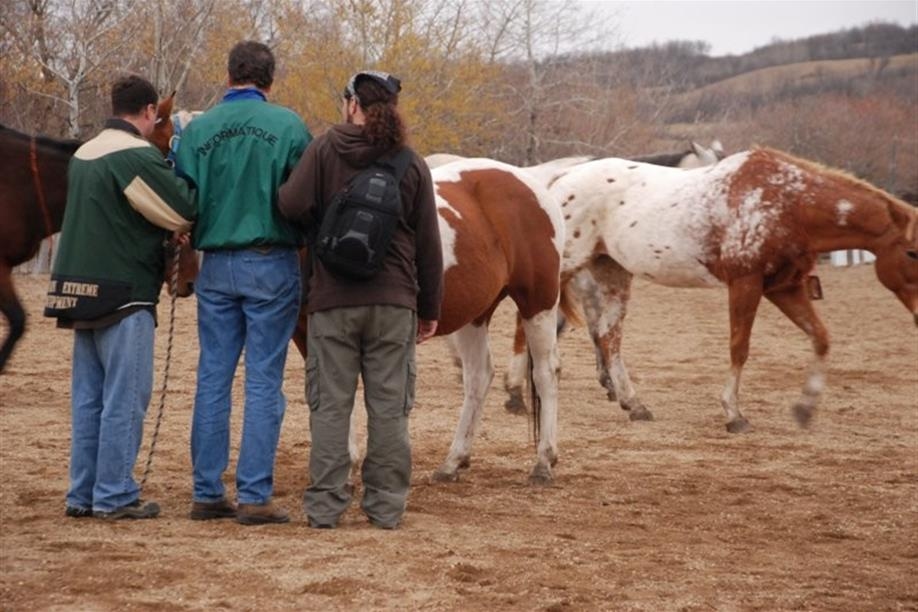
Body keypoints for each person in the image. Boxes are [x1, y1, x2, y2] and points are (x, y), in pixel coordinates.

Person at [278, 70, 443, 529]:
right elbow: (429, 245)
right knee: (390, 409)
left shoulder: (324, 149)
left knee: (331, 407)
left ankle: (325, 507)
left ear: (353, 104)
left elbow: (290, 205)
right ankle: (386, 508)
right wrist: (429, 310)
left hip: (332, 301)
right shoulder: (411, 163)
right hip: (394, 302)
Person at [44, 74, 196, 520]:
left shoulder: (85, 153)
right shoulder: (134, 154)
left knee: (88, 400)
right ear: (149, 111)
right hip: (123, 294)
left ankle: (81, 494)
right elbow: (181, 210)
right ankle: (113, 494)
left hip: (78, 291)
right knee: (124, 400)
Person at [175, 41, 311, 525]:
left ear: (229, 75)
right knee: (263, 379)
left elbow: (184, 201)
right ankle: (254, 495)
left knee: (213, 375)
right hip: (271, 261)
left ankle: (207, 491)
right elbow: (304, 199)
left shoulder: (198, 129)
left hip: (215, 264)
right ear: (269, 80)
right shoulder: (289, 126)